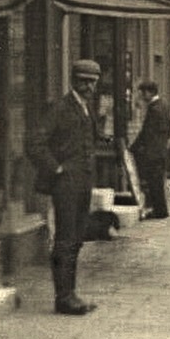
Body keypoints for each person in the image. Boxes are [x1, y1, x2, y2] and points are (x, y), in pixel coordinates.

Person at [27, 58, 103, 315]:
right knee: (65, 239)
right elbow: (35, 142)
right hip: (66, 184)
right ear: (73, 80)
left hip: (83, 183)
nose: (88, 87)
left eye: (92, 82)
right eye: (83, 81)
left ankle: (71, 294)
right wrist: (56, 168)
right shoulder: (59, 108)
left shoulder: (86, 108)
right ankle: (63, 297)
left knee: (76, 239)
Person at [129, 81, 170, 220]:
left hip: (153, 152)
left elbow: (146, 133)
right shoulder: (163, 106)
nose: (141, 96)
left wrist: (134, 147)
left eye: (142, 93)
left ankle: (159, 211)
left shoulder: (154, 109)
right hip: (160, 150)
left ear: (149, 92)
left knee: (154, 183)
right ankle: (161, 210)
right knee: (157, 182)